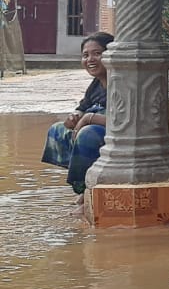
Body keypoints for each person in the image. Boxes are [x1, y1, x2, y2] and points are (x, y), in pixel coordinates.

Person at [41, 32, 114, 206]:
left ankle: (86, 192)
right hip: (94, 125)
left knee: (87, 134)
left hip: (116, 132)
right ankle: (81, 180)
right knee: (58, 130)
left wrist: (89, 118)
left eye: (97, 53)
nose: (91, 59)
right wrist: (74, 118)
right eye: (85, 55)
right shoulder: (95, 84)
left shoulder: (120, 82)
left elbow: (125, 121)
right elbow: (81, 108)